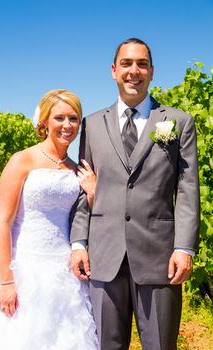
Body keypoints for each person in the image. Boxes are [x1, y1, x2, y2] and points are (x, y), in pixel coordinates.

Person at [70, 38, 200, 350]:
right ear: (114, 71)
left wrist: (184, 248)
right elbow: (83, 185)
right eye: (126, 64)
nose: (134, 71)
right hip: (104, 256)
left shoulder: (177, 122)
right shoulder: (92, 124)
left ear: (152, 72)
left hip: (159, 258)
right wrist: (78, 243)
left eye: (141, 64)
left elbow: (187, 187)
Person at [0, 89, 99, 349]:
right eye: (60, 118)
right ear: (44, 121)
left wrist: (92, 192)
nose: (67, 125)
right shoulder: (22, 160)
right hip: (24, 269)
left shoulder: (76, 169)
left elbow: (81, 216)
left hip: (64, 274)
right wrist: (6, 281)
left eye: (74, 118)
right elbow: (3, 222)